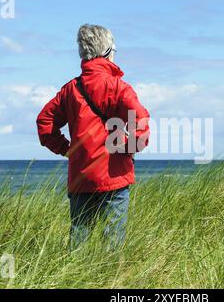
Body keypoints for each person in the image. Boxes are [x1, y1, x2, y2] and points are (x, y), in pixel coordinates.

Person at [36, 24, 150, 249]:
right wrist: (125, 150)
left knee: (78, 243)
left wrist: (66, 149)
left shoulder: (71, 90)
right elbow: (142, 126)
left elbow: (44, 123)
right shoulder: (120, 88)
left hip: (81, 177)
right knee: (112, 244)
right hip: (114, 177)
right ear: (107, 51)